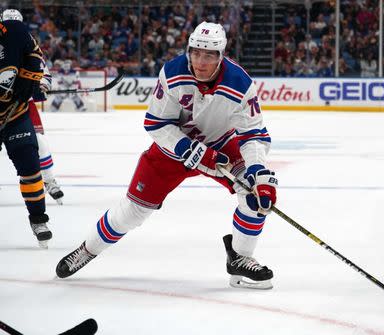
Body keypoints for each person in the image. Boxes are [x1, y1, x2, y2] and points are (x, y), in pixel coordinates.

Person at [56, 21, 278, 289]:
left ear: (221, 56)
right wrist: (192, 150)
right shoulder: (173, 73)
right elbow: (157, 124)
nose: (200, 61)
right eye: (195, 52)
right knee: (132, 212)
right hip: (171, 151)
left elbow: (253, 134)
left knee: (254, 195)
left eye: (209, 55)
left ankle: (240, 259)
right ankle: (88, 249)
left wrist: (257, 173)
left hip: (220, 146)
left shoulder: (240, 83)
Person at [0, 9, 52, 248]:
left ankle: (38, 219)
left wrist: (32, 81)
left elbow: (35, 56)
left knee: (30, 167)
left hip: (16, 114)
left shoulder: (15, 31)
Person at [29, 61, 65, 204]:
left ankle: (49, 180)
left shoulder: (27, 44)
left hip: (25, 103)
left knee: (41, 143)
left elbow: (44, 73)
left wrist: (42, 85)